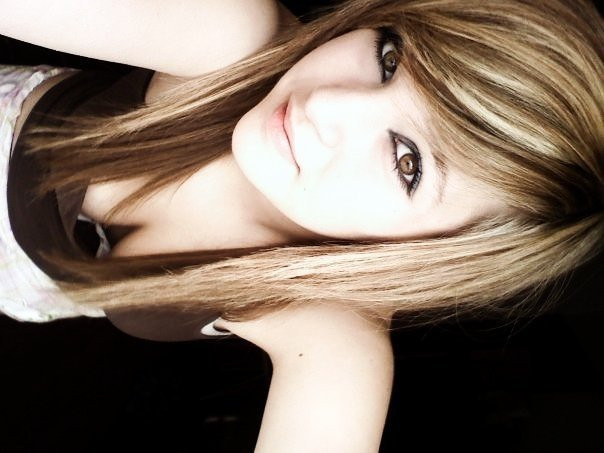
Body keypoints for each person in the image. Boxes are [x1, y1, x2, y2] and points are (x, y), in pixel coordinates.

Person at [1, 0, 602, 450]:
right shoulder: (237, 37)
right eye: (389, 59)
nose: (327, 104)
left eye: (408, 162)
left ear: (447, 253)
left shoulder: (331, 325)